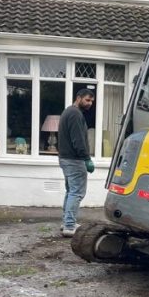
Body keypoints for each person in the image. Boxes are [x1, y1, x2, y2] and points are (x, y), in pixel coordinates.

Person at [57, 88, 95, 236]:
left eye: (91, 101)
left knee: (70, 191)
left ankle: (66, 222)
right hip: (74, 160)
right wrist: (86, 158)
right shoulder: (75, 114)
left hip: (66, 158)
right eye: (87, 100)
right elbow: (78, 140)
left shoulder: (69, 111)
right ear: (78, 98)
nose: (90, 103)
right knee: (77, 192)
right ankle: (69, 226)